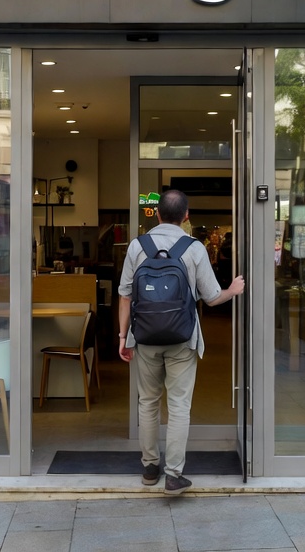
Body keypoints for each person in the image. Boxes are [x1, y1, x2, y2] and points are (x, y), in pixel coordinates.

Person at [117, 190, 244, 495]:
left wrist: (123, 337)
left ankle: (150, 468)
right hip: (183, 338)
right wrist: (232, 289)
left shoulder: (137, 246)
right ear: (186, 216)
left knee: (147, 402)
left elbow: (125, 295)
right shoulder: (194, 247)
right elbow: (212, 298)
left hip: (144, 337)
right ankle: (173, 475)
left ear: (157, 214)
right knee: (178, 406)